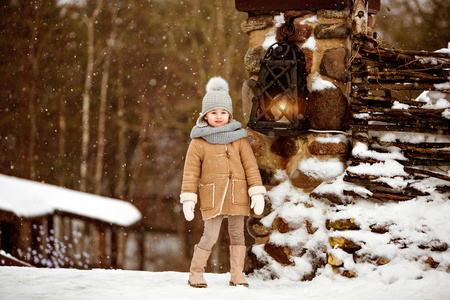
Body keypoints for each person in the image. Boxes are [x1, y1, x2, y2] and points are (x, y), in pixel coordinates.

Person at [180, 76, 266, 288]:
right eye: (213, 112)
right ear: (205, 116)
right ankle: (196, 273)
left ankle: (237, 275)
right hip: (213, 195)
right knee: (210, 235)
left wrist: (256, 191)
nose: (219, 117)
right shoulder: (198, 142)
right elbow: (190, 172)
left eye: (223, 112)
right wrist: (188, 198)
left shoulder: (239, 138)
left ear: (229, 115)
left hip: (238, 193)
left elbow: (250, 166)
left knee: (238, 234)